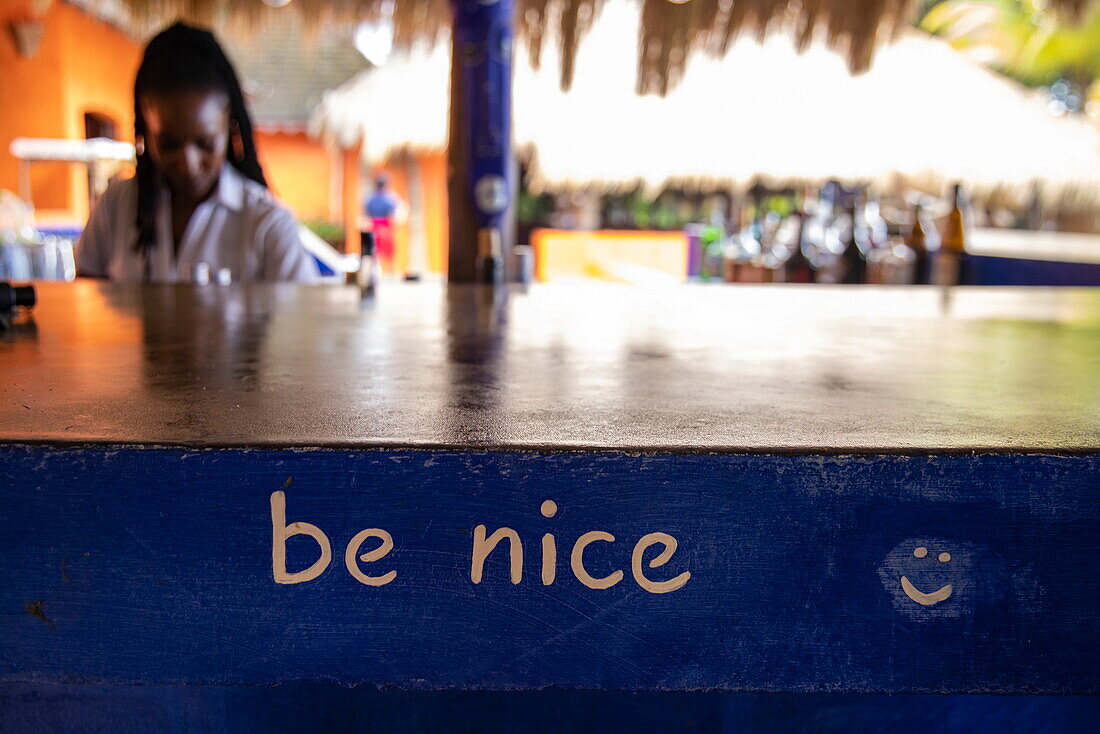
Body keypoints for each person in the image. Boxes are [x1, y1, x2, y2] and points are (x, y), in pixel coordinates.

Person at [77, 23, 318, 283]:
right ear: (144, 130)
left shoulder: (267, 226)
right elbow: (86, 307)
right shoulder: (115, 208)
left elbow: (304, 320)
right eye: (168, 143)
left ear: (230, 127)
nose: (188, 163)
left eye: (205, 142)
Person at [364, 175, 402, 272]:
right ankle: (390, 271)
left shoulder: (370, 198)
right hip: (386, 226)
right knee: (388, 252)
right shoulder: (389, 198)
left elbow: (366, 212)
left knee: (376, 251)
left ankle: (377, 270)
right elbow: (393, 213)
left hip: (373, 227)